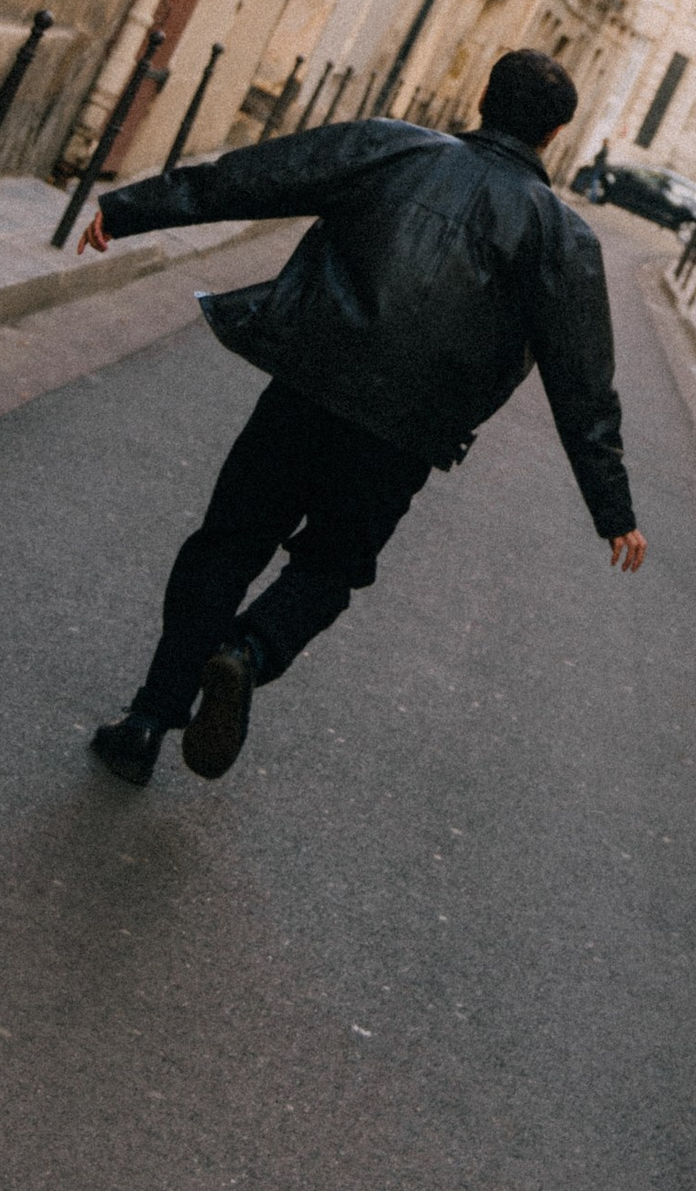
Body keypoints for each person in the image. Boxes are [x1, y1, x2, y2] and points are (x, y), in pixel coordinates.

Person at [76, 46, 644, 785]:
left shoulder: (389, 146)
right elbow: (583, 380)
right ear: (553, 136)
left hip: (309, 384)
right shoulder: (561, 236)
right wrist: (614, 508)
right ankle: (248, 654)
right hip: (405, 434)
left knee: (229, 541)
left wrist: (127, 209)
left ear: (483, 99)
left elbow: (259, 176)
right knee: (332, 567)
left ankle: (148, 722)